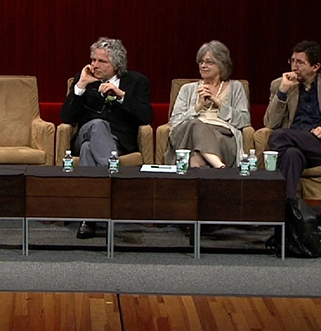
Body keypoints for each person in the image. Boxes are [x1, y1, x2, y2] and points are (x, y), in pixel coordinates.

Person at [60, 37, 152, 239]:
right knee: (97, 125)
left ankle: (89, 218)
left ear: (116, 65)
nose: (95, 65)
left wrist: (121, 95)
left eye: (101, 61)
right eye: (93, 60)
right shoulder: (83, 79)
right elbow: (66, 118)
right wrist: (80, 86)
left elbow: (146, 117)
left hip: (118, 142)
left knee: (88, 149)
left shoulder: (137, 82)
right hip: (86, 132)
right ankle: (113, 180)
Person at [265, 40, 321, 200]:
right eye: (292, 61)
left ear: (315, 67)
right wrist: (282, 92)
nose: (294, 67)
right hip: (293, 142)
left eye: (300, 62)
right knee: (291, 155)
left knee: (277, 136)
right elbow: (270, 123)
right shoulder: (280, 85)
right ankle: (288, 211)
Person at [167, 41, 251, 168]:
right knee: (195, 124)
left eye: (208, 62)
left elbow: (244, 120)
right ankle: (219, 166)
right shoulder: (187, 89)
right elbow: (174, 122)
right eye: (201, 62)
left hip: (222, 136)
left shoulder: (236, 87)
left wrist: (219, 103)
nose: (203, 66)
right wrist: (198, 106)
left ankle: (211, 169)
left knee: (197, 159)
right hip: (187, 136)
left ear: (222, 64)